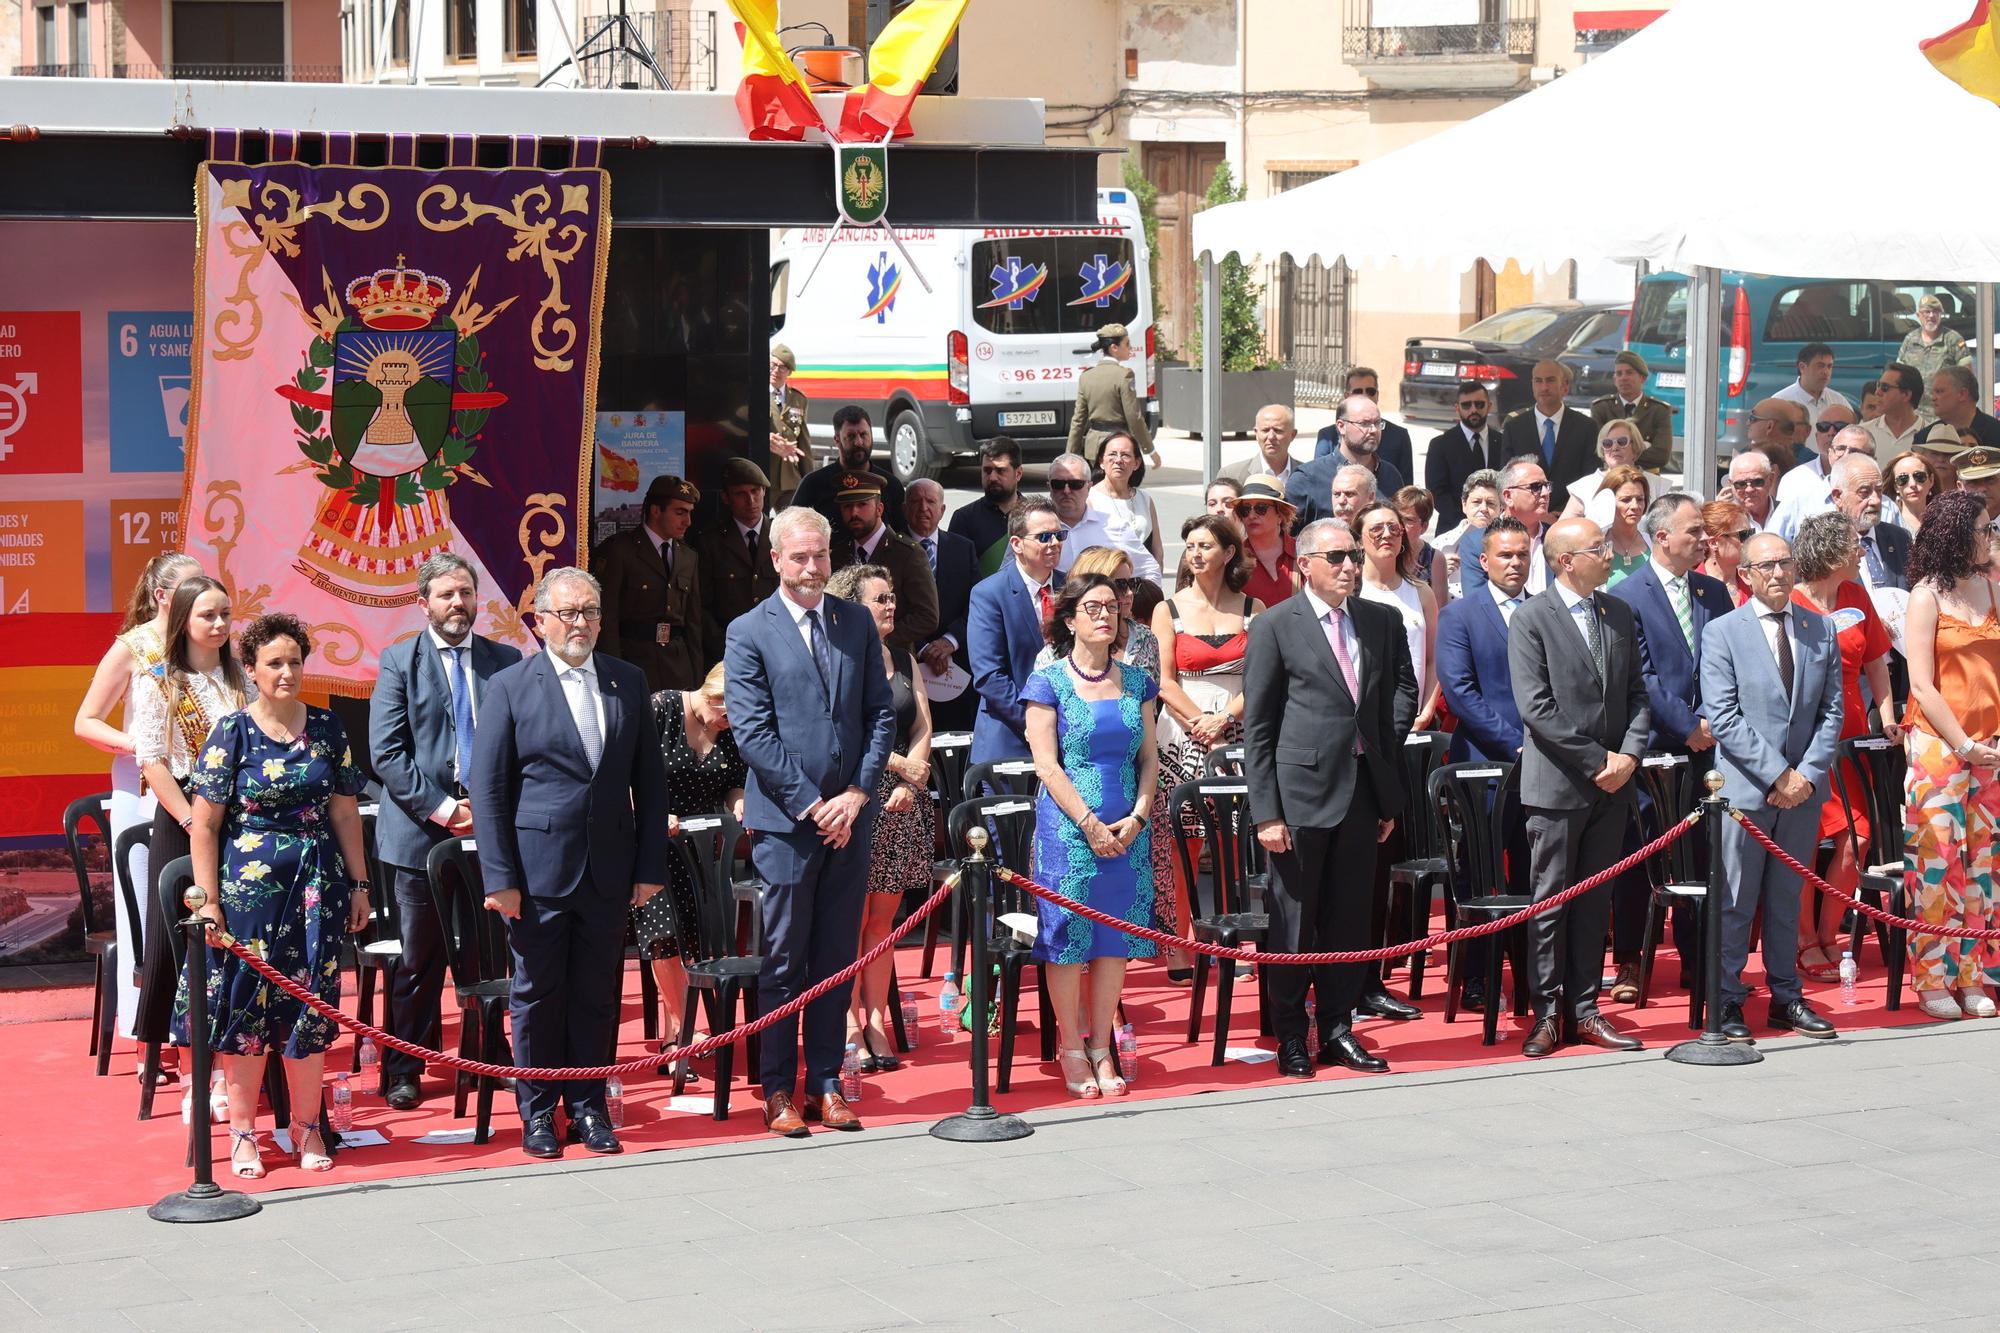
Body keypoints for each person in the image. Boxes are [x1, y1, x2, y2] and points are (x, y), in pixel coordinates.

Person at [468, 567, 669, 1159]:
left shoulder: (627, 681)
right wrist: (500, 878)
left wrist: (648, 867)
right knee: (537, 994)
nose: (580, 624)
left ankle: (588, 1108)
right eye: (569, 613)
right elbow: (489, 790)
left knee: (597, 995)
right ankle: (536, 1113)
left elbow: (649, 784)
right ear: (541, 621)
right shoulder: (509, 686)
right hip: (536, 874)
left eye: (590, 612)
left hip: (609, 868)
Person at [724, 508, 895, 1137]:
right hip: (788, 825)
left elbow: (880, 714)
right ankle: (776, 1089)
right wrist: (812, 804)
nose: (811, 568)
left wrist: (855, 794)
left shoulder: (854, 621)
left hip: (852, 818)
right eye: (799, 557)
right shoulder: (748, 631)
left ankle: (825, 1082)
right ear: (776, 560)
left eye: (819, 556)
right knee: (783, 959)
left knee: (833, 957)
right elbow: (753, 732)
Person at [179, 612, 369, 1178]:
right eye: (275, 663)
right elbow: (205, 824)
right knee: (247, 1011)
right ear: (252, 669)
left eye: (295, 662)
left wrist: (359, 884)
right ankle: (243, 1134)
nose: (287, 673)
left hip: (318, 887)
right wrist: (207, 902)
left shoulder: (329, 728)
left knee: (311, 1005)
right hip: (247, 894)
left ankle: (306, 1127)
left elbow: (343, 808)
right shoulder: (231, 732)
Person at [1243, 519, 1416, 1078]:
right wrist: (1267, 811)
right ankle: (1291, 1035)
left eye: (1354, 556)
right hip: (1299, 797)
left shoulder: (1381, 620)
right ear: (1306, 565)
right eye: (1336, 556)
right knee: (1292, 923)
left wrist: (1380, 757)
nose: (1348, 566)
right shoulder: (1275, 625)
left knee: (1349, 920)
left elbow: (1400, 690)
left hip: (1364, 793)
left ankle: (1338, 1028)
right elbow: (1260, 726)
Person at [368, 553, 522, 1110]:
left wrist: (489, 808)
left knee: (489, 954)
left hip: (490, 833)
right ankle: (404, 1066)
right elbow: (386, 753)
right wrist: (443, 809)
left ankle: (488, 1056)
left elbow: (520, 743)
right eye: (446, 595)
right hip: (419, 835)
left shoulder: (504, 660)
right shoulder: (398, 662)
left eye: (466, 593)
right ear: (424, 603)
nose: (458, 604)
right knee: (419, 958)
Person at [1509, 518, 1651, 1058]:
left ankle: (1585, 1010)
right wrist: (1598, 762)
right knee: (1551, 901)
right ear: (1566, 560)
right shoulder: (1532, 618)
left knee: (1595, 901)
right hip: (1558, 784)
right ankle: (1547, 1012)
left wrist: (1630, 756)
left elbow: (1638, 694)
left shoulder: (1617, 612)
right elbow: (1536, 707)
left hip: (1612, 783)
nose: (1609, 554)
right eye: (1598, 548)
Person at [1022, 573, 1161, 1097]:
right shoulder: (1048, 682)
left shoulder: (1136, 681)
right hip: (1069, 832)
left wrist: (1139, 815)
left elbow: (1148, 756)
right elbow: (1046, 766)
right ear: (1070, 618)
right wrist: (1088, 823)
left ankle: (1102, 1046)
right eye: (1093, 606)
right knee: (1067, 944)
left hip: (1129, 833)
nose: (1106, 614)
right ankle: (1071, 1049)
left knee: (1112, 942)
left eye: (1112, 607)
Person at [1701, 533, 1843, 1042]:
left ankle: (1787, 997)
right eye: (1767, 566)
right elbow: (1723, 715)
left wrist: (1805, 774)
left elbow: (1832, 711)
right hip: (1746, 792)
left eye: (1785, 563)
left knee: (1787, 897)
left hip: (1803, 793)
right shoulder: (1722, 632)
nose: (1779, 573)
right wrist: (1777, 774)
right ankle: (1728, 999)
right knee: (1737, 900)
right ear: (1747, 575)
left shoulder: (1818, 629)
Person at [1604, 494, 1735, 999]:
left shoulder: (1711, 592)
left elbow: (1724, 663)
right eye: (1693, 532)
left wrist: (1713, 722)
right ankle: (1632, 964)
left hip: (1708, 752)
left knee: (1699, 856)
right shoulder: (1627, 594)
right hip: (1651, 746)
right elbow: (1641, 676)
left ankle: (1694, 959)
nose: (1704, 539)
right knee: (1640, 856)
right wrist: (1687, 725)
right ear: (1662, 537)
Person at [74, 551, 200, 1048]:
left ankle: (198, 1025)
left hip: (198, 796)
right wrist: (141, 746)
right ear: (161, 595)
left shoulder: (205, 646)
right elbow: (86, 721)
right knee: (146, 916)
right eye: (189, 589)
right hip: (143, 794)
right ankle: (149, 1032)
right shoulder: (133, 647)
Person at [131, 575, 250, 1066]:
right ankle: (187, 1061)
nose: (220, 624)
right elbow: (152, 759)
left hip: (240, 816)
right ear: (183, 619)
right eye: (208, 615)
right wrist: (190, 819)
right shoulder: (158, 675)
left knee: (237, 932)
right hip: (182, 813)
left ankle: (240, 1051)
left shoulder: (241, 673)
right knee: (182, 939)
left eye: (225, 613)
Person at [824, 564, 932, 1074]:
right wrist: (893, 764)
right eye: (880, 598)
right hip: (855, 796)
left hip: (902, 805)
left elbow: (922, 727)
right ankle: (846, 1022)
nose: (892, 605)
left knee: (882, 925)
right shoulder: (839, 657)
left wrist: (912, 781)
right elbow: (837, 733)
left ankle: (875, 1020)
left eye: (893, 596)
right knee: (848, 921)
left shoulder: (905, 658)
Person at [1788, 513, 1901, 982]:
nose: (1862, 553)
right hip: (1800, 741)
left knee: (1856, 841)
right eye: (1854, 547)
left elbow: (1876, 661)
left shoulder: (1857, 596)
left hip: (1852, 739)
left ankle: (1831, 934)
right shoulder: (1790, 600)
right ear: (1831, 554)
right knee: (1799, 844)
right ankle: (1802, 939)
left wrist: (1889, 716)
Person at [1900, 491, 2000, 1021]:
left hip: (1992, 747)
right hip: (1941, 747)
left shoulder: (1991, 586)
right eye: (1984, 530)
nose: (1990, 537)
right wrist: (1962, 743)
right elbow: (1921, 683)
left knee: (1984, 869)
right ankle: (1932, 977)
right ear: (1957, 536)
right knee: (1937, 866)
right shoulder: (1926, 595)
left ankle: (1977, 975)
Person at [1151, 517, 1258, 977]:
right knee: (1183, 841)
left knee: (1235, 841)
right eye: (1189, 545)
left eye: (1206, 545)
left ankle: (1232, 942)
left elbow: (1262, 677)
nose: (1195, 553)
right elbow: (1163, 679)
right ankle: (1179, 943)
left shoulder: (1253, 608)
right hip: (1182, 731)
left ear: (1229, 553)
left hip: (1237, 729)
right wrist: (1200, 722)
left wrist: (1225, 718)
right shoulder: (1167, 608)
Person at [634, 662, 745, 1064]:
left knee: (701, 937)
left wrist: (740, 804)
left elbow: (733, 780)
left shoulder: (728, 729)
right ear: (711, 693)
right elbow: (623, 772)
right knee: (664, 933)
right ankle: (681, 1030)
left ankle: (682, 1026)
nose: (727, 723)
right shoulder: (661, 708)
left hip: (701, 847)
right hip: (651, 842)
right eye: (725, 713)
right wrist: (651, 812)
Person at [968, 499, 1067, 764]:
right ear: (1016, 544)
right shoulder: (989, 594)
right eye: (1044, 537)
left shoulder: (1073, 588)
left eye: (1059, 535)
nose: (1055, 543)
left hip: (1071, 740)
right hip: (1010, 741)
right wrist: (1037, 724)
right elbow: (989, 675)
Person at [593, 474, 707, 693]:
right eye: (680, 512)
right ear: (656, 511)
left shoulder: (688, 556)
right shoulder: (621, 550)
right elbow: (607, 617)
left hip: (677, 665)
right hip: (634, 662)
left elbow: (693, 624)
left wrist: (696, 679)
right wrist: (614, 674)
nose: (688, 522)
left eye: (690, 513)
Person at [830, 470, 940, 652]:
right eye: (847, 507)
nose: (854, 512)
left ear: (879, 509)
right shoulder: (838, 554)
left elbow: (927, 616)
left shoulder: (908, 553)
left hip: (893, 659)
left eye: (862, 504)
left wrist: (879, 639)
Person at [905, 478, 981, 733]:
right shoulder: (894, 548)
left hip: (956, 667)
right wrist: (924, 648)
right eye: (916, 501)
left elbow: (976, 604)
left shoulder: (963, 548)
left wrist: (950, 641)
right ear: (905, 508)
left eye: (930, 501)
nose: (923, 508)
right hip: (909, 665)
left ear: (942, 510)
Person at [695, 457, 779, 659]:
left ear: (764, 492)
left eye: (755, 491)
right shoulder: (709, 542)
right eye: (741, 494)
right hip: (728, 648)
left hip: (777, 645)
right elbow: (700, 606)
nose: (750, 501)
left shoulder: (782, 535)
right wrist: (726, 645)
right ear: (726, 497)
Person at [1290, 395, 1406, 526]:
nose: (1373, 430)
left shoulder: (1391, 474)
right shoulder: (1307, 478)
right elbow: (1288, 538)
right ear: (1341, 426)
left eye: (1378, 423)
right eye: (1364, 423)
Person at [794, 405, 909, 536]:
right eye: (851, 436)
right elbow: (792, 527)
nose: (859, 442)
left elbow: (902, 535)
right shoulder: (813, 484)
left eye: (863, 434)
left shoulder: (891, 485)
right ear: (837, 440)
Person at [1499, 361, 1597, 512]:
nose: (1544, 387)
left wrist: (1566, 513)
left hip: (1571, 517)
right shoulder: (1514, 427)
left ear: (1565, 386)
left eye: (1550, 380)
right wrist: (1540, 515)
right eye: (1538, 381)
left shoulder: (1586, 427)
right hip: (1526, 517)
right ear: (1532, 385)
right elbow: (1507, 479)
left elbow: (1589, 478)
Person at [1067, 322, 1158, 469]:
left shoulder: (1086, 376)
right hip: (1118, 446)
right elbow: (1134, 417)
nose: (1130, 348)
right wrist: (1150, 449)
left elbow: (1078, 420)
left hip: (1093, 449)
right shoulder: (1124, 375)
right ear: (1114, 348)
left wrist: (1070, 455)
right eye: (1127, 344)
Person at [1458, 459, 1551, 597]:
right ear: (1508, 497)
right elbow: (1477, 602)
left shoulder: (1557, 537)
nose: (1545, 493)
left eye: (1546, 486)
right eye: (1535, 487)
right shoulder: (1477, 542)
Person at [1770, 417, 1867, 540]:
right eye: (1824, 426)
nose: (1831, 432)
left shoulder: (1882, 504)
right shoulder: (1794, 484)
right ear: (1830, 452)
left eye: (1840, 425)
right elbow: (1774, 542)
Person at [1314, 367, 1415, 484]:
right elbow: (1320, 478)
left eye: (1370, 391)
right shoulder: (1328, 435)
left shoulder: (1399, 436)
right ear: (1347, 396)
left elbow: (1406, 488)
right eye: (1358, 392)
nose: (1365, 396)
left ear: (1377, 395)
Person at [1089, 433, 1166, 583]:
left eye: (1125, 455)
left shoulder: (1145, 499)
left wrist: (1154, 585)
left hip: (1144, 585)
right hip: (1108, 585)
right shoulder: (1090, 499)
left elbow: (1157, 551)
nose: (1118, 460)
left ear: (1136, 463)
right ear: (1101, 461)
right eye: (1112, 454)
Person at [1425, 382, 1500, 534]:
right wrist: (1470, 520)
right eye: (1466, 405)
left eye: (1479, 404)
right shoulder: (1440, 445)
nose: (1473, 410)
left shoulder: (1502, 442)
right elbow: (1437, 493)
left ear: (1489, 406)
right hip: (1453, 528)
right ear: (1457, 408)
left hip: (1497, 527)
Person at [1560, 419, 1661, 528]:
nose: (1615, 447)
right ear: (1602, 450)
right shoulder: (1584, 486)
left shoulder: (1657, 485)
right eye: (1607, 443)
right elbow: (1562, 531)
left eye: (1622, 442)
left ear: (1635, 447)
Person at [948, 437, 1023, 577]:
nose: (992, 477)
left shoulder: (1036, 516)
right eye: (987, 471)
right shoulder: (964, 519)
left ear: (1018, 474)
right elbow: (955, 575)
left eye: (1000, 471)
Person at [1589, 351, 1675, 471]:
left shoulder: (1659, 410)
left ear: (1642, 378)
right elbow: (1596, 451)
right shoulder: (1602, 408)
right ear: (1614, 380)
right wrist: (1642, 447)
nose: (1623, 378)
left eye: (1629, 373)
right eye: (1619, 374)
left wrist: (1617, 454)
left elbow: (1661, 456)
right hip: (1611, 477)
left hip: (1647, 477)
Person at [1228, 475, 1297, 607]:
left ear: (1280, 514)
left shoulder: (1303, 552)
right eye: (1245, 509)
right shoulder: (1233, 558)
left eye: (1261, 508)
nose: (1252, 515)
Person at [1436, 468, 1502, 598]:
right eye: (1477, 502)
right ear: (1464, 505)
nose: (1483, 509)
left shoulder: (1511, 542)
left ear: (1501, 507)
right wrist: (1438, 574)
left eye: (1490, 503)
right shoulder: (1441, 544)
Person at [1775, 342, 1852, 436]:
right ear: (1802, 367)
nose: (1826, 372)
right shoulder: (1781, 401)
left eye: (1829, 366)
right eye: (1820, 366)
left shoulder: (1839, 401)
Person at [1221, 404, 1304, 489]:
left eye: (1278, 430)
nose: (1271, 436)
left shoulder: (1309, 476)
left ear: (1292, 435)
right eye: (1265, 430)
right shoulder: (1232, 476)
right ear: (1256, 433)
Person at [1394, 487, 1452, 608]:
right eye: (1396, 517)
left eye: (1408, 520)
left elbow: (1439, 610)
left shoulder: (1434, 559)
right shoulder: (1383, 551)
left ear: (1424, 526)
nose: (1399, 525)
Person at [1919, 365, 2000, 451]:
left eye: (1939, 391)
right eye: (1933, 393)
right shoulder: (1925, 438)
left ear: (1962, 394)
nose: (1933, 398)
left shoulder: (1996, 433)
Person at [767, 343, 810, 505]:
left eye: (782, 368)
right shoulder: (755, 394)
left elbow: (804, 443)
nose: (776, 371)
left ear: (789, 372)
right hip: (764, 476)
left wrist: (808, 479)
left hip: (790, 479)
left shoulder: (799, 399)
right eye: (773, 365)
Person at [1596, 465, 1652, 588]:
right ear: (1608, 502)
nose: (1635, 506)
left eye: (1640, 499)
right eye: (1626, 500)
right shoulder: (1594, 547)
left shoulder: (1654, 545)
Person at [1897, 294, 1969, 384]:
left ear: (1941, 315)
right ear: (1918, 315)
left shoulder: (1953, 339)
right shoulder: (1910, 340)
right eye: (1927, 312)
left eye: (1936, 311)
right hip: (1915, 398)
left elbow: (1967, 378)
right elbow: (1898, 375)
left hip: (1945, 398)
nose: (1931, 315)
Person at [1862, 362, 1925, 459]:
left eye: (1885, 388)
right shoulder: (1863, 434)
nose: (1877, 392)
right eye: (1878, 385)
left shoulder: (1932, 435)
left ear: (1906, 395)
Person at [1701, 499, 1756, 606]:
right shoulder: (1690, 584)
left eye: (1751, 533)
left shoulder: (1752, 581)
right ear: (1713, 543)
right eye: (1744, 535)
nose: (1750, 541)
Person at [1886, 450, 1939, 535]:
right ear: (1895, 486)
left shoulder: (1944, 522)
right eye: (1902, 479)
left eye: (1919, 476)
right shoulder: (1887, 524)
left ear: (1931, 480)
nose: (1912, 484)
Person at [1727, 449, 1780, 533]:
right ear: (1731, 484)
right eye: (1741, 484)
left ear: (1771, 479)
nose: (1749, 490)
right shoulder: (1724, 520)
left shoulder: (1788, 513)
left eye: (1757, 482)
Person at [1955, 447, 2000, 522]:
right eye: (1973, 482)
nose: (1982, 489)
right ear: (1960, 487)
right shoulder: (1949, 529)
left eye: (1989, 480)